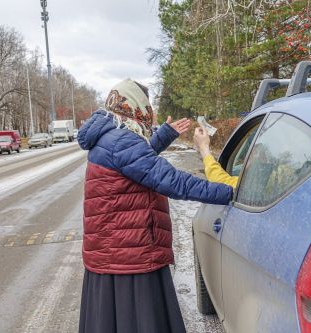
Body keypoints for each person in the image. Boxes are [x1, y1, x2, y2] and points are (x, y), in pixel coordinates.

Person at [77, 78, 233, 333]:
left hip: (113, 252)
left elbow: (136, 164)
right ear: (136, 106)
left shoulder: (110, 135)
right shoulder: (122, 142)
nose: (149, 110)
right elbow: (171, 181)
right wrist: (229, 192)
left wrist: (164, 137)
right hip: (129, 256)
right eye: (146, 104)